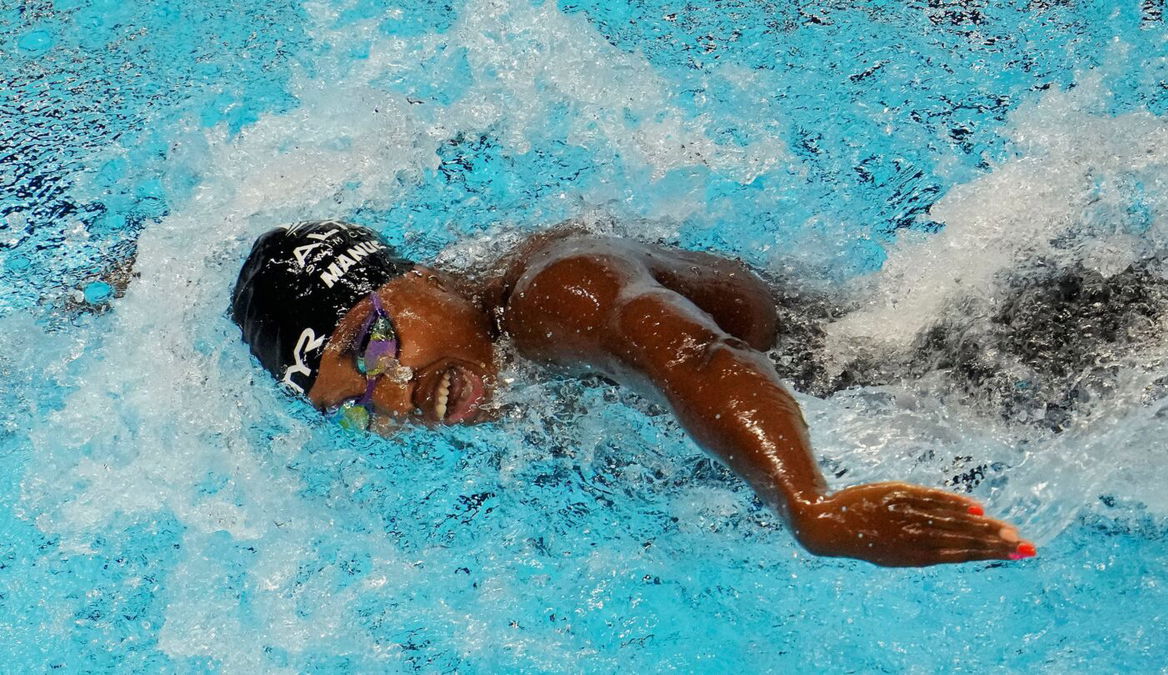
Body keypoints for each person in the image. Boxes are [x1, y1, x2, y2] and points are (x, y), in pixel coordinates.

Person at [231, 220, 1036, 567]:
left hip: (1001, 364)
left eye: (372, 342)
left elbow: (696, 356)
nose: (399, 393)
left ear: (412, 278)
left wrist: (807, 504)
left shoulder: (555, 295)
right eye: (358, 405)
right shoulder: (498, 364)